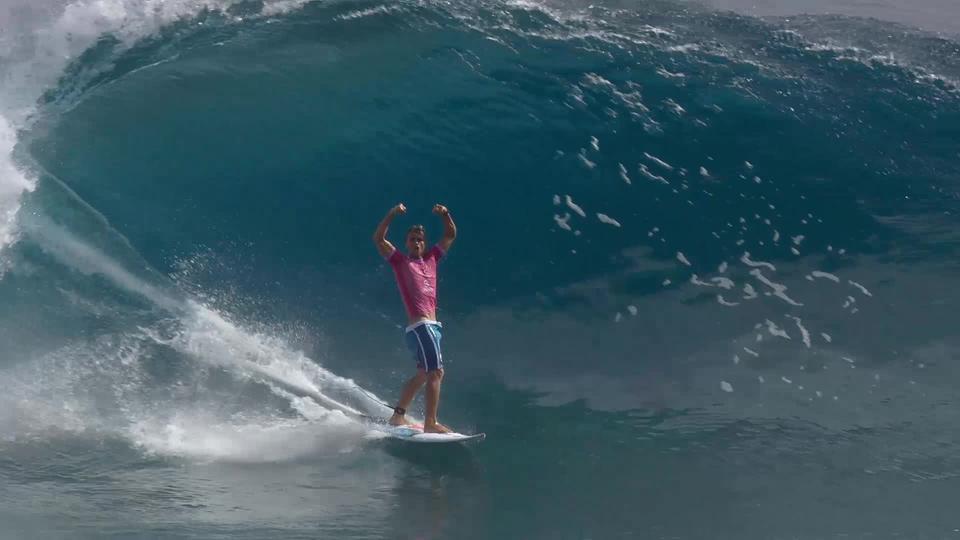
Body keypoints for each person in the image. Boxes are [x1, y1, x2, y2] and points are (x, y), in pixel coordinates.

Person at [373, 203, 457, 433]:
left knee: (423, 374)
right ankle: (431, 423)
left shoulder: (432, 259)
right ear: (406, 243)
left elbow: (450, 234)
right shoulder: (400, 261)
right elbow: (379, 239)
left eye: (420, 239)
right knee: (436, 372)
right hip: (421, 327)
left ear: (424, 243)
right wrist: (391, 214)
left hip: (432, 328)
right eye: (412, 239)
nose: (417, 242)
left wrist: (445, 214)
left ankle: (398, 416)